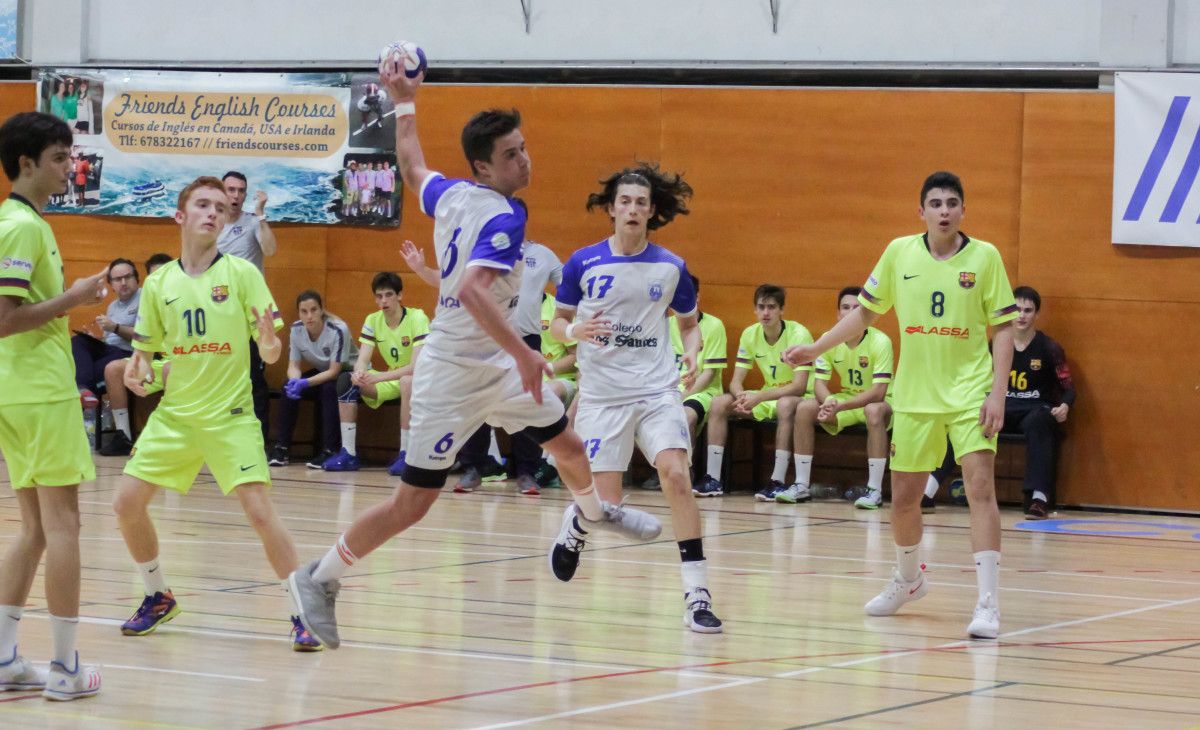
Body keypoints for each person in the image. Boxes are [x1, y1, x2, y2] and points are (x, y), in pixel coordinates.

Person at [288, 57, 662, 650]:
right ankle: (317, 579)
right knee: (412, 504)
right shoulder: (503, 216)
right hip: (452, 372)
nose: (525, 159)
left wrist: (403, 99)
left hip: (490, 363)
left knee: (564, 441)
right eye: (511, 155)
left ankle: (594, 513)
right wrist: (523, 354)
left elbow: (411, 167)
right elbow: (468, 291)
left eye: (524, 148)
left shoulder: (456, 193)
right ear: (485, 168)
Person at [785, 171, 1017, 639]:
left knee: (980, 490)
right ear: (922, 211)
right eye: (936, 203)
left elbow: (1005, 327)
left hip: (969, 391)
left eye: (953, 203)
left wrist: (997, 392)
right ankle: (909, 581)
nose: (945, 211)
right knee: (905, 499)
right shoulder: (899, 252)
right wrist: (816, 350)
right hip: (914, 395)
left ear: (964, 210)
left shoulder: (986, 257)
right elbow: (865, 313)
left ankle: (988, 602)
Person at [112, 176, 321, 652]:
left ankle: (305, 610)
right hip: (176, 417)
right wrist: (136, 374)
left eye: (220, 208)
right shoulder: (159, 283)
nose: (213, 212)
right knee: (125, 504)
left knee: (259, 512)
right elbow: (146, 361)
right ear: (180, 216)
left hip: (229, 415)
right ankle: (157, 595)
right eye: (202, 205)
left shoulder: (243, 274)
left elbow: (269, 354)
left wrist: (269, 340)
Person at [551, 163, 723, 633]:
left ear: (652, 212)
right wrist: (575, 330)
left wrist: (691, 355)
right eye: (624, 201)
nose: (632, 209)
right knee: (604, 504)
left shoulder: (670, 267)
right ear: (611, 209)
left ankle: (697, 595)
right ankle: (577, 526)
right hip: (603, 397)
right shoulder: (582, 263)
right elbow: (556, 323)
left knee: (676, 476)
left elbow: (689, 326)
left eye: (641, 203)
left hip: (655, 390)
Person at [0, 110, 105, 700]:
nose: (71, 167)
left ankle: (5, 658)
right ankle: (65, 669)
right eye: (60, 158)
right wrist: (71, 298)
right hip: (39, 390)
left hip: (16, 393)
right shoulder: (22, 228)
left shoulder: (19, 222)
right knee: (65, 525)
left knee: (36, 529)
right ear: (26, 163)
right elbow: (5, 319)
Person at [693, 284, 814, 499]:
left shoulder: (798, 333)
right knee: (720, 403)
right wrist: (741, 397)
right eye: (761, 307)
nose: (766, 312)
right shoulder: (750, 334)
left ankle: (777, 481)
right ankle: (713, 479)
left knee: (786, 405)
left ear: (781, 310)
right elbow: (735, 381)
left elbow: (799, 386)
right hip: (766, 396)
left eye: (772, 307)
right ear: (755, 310)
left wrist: (758, 397)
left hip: (799, 398)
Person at [777, 286, 894, 508]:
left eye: (857, 308)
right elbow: (819, 383)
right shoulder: (828, 340)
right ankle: (801, 485)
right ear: (838, 314)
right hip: (845, 400)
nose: (850, 312)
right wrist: (830, 401)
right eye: (845, 307)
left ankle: (874, 490)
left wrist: (840, 405)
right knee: (804, 408)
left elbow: (879, 391)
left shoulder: (881, 341)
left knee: (874, 411)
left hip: (881, 401)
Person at [320, 271, 428, 473]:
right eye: (379, 296)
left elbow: (416, 367)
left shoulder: (417, 317)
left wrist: (378, 377)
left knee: (407, 381)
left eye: (389, 295)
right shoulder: (373, 320)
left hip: (421, 380)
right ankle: (348, 453)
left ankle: (407, 454)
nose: (384, 300)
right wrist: (359, 373)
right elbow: (362, 358)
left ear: (400, 296)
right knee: (347, 380)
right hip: (391, 378)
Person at [1002, 285, 1075, 518]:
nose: (1021, 315)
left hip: (1033, 412)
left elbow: (1069, 388)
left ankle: (1038, 499)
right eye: (1017, 309)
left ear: (1036, 314)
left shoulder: (1049, 348)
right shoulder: (996, 344)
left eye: (1028, 310)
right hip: (1002, 410)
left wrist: (1065, 406)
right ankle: (929, 491)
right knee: (968, 419)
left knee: (1042, 421)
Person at [218, 171, 277, 442]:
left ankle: (258, 441)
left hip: (250, 315)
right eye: (231, 190)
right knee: (219, 378)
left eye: (241, 191)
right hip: (219, 313)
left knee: (254, 378)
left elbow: (270, 250)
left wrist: (261, 213)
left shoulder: (253, 222)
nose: (236, 195)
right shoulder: (211, 225)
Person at [268, 290, 356, 467]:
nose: (309, 316)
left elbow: (334, 371)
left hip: (348, 375)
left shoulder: (338, 329)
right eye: (304, 311)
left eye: (314, 310)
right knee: (287, 386)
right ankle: (282, 448)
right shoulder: (296, 329)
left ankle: (330, 450)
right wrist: (295, 381)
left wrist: (305, 382)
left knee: (329, 388)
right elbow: (294, 366)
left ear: (322, 310)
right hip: (322, 373)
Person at [99, 253, 173, 455]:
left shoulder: (188, 297)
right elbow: (144, 337)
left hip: (183, 360)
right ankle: (124, 435)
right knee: (113, 368)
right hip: (155, 359)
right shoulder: (149, 302)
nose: (160, 281)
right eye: (155, 277)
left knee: (170, 370)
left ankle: (171, 438)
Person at [71, 257, 140, 407]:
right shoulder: (112, 306)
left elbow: (146, 337)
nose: (123, 282)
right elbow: (111, 340)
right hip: (111, 351)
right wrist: (96, 339)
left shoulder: (145, 298)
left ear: (136, 279)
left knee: (86, 374)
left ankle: (86, 402)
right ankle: (83, 391)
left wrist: (115, 327)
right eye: (117, 279)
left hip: (130, 355)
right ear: (112, 285)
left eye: (127, 277)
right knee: (78, 341)